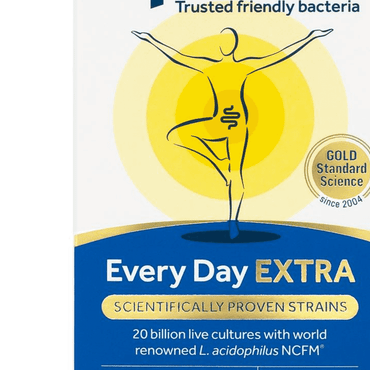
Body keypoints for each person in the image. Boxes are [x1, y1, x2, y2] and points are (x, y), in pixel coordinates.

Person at [132, 26, 333, 239]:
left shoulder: (245, 66)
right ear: (217, 46)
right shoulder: (207, 65)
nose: (225, 46)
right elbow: (177, 56)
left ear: (235, 45)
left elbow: (280, 55)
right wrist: (150, 39)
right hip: (216, 122)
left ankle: (233, 222)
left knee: (236, 177)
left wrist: (311, 37)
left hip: (238, 128)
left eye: (229, 42)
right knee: (174, 136)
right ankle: (219, 161)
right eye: (222, 42)